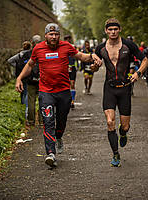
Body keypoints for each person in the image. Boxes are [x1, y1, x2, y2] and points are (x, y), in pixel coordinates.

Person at [15, 23, 102, 168]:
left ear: (59, 35)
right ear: (46, 36)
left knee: (61, 120)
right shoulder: (38, 48)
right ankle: (50, 153)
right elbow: (30, 65)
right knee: (48, 121)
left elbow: (81, 56)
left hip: (63, 92)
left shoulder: (66, 46)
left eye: (56, 34)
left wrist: (93, 56)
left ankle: (59, 137)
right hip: (46, 92)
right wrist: (19, 78)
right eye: (51, 34)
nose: (54, 37)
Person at [91, 18, 148, 167]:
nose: (113, 32)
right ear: (106, 31)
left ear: (120, 30)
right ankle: (115, 154)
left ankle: (123, 133)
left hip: (124, 89)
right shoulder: (100, 48)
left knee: (125, 126)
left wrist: (138, 73)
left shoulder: (128, 45)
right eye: (110, 30)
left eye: (115, 29)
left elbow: (145, 61)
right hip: (109, 88)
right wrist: (94, 67)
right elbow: (95, 65)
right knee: (110, 122)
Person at [8, 41, 32, 119]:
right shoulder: (30, 54)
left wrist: (17, 66)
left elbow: (9, 61)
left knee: (22, 91)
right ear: (30, 47)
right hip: (28, 75)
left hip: (20, 75)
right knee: (26, 93)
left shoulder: (19, 55)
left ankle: (22, 107)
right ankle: (26, 111)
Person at [26, 35, 42, 126]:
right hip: (41, 80)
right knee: (42, 100)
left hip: (30, 80)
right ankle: (42, 121)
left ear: (32, 43)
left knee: (31, 100)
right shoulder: (43, 52)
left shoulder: (28, 53)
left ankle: (31, 121)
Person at [64, 35, 77, 108]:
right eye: (66, 39)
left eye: (69, 39)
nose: (68, 40)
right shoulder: (61, 47)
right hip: (64, 68)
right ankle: (66, 100)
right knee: (66, 85)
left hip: (72, 68)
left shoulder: (73, 47)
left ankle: (72, 101)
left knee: (72, 84)